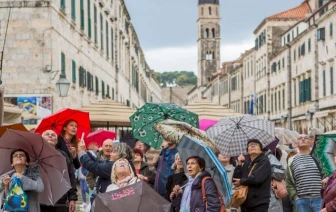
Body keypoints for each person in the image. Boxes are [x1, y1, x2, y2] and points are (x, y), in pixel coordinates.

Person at [285, 134, 324, 212]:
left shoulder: (320, 157)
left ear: (311, 142)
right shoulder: (291, 160)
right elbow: (288, 182)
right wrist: (295, 197)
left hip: (320, 199)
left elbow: (329, 175)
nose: (303, 139)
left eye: (306, 138)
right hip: (301, 200)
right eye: (300, 138)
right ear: (296, 144)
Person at [41, 130, 77, 212]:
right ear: (42, 139)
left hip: (60, 200)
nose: (50, 136)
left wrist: (72, 198)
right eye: (47, 134)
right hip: (40, 200)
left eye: (53, 135)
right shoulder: (36, 154)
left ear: (56, 141)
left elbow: (70, 176)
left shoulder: (63, 155)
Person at [232, 139, 272, 212]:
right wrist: (239, 164)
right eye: (250, 145)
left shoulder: (264, 161)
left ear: (261, 150)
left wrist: (241, 181)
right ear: (247, 151)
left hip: (259, 203)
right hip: (245, 202)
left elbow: (256, 179)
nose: (252, 146)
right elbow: (235, 180)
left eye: (256, 144)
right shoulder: (247, 163)